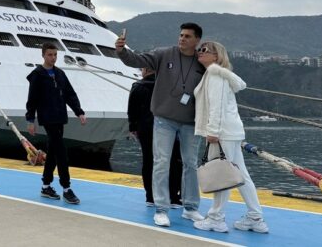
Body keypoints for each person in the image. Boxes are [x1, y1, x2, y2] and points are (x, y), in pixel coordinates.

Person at [115, 23, 206, 227]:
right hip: (164, 119)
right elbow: (136, 59)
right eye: (181, 35)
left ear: (197, 40)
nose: (182, 39)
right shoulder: (164, 54)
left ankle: (191, 208)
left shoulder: (203, 62)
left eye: (187, 36)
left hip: (191, 122)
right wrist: (121, 51)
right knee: (161, 162)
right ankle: (161, 209)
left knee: (191, 164)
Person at [193, 41, 269, 234]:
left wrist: (212, 132)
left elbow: (216, 106)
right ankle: (255, 217)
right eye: (199, 49)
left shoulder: (215, 74)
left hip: (222, 133)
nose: (199, 52)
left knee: (220, 174)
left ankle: (216, 218)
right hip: (231, 132)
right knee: (241, 175)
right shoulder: (217, 74)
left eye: (204, 50)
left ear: (216, 56)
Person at [26, 42, 87, 204]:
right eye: (50, 55)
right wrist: (30, 120)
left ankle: (46, 186)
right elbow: (32, 100)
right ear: (43, 55)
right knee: (61, 152)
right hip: (47, 118)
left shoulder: (59, 74)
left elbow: (69, 94)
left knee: (52, 152)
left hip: (60, 117)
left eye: (55, 55)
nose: (53, 58)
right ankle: (66, 188)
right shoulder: (37, 75)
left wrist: (79, 111)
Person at [128, 68, 183, 207]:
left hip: (146, 129)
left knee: (149, 161)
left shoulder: (138, 86)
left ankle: (150, 197)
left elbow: (132, 110)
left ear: (145, 70)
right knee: (173, 161)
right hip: (169, 128)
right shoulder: (169, 85)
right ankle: (173, 196)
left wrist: (133, 127)